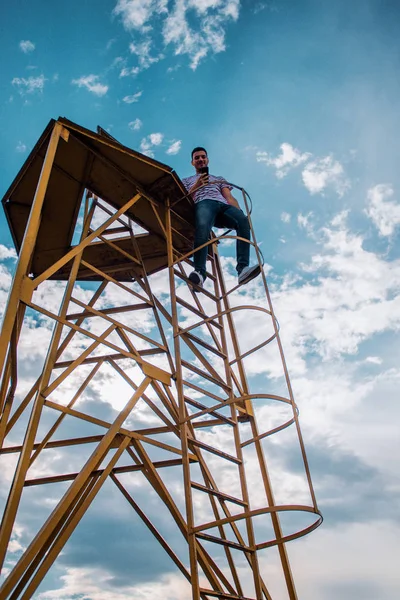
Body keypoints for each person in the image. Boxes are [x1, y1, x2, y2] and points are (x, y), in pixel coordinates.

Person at [182, 147, 261, 289]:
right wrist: (197, 185)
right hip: (203, 203)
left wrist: (239, 212)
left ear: (207, 159)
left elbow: (229, 197)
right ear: (192, 162)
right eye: (197, 158)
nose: (200, 159)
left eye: (202, 157)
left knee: (243, 221)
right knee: (202, 228)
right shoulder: (187, 180)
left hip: (222, 205)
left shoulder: (218, 179)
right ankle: (199, 272)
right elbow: (183, 200)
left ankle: (242, 269)